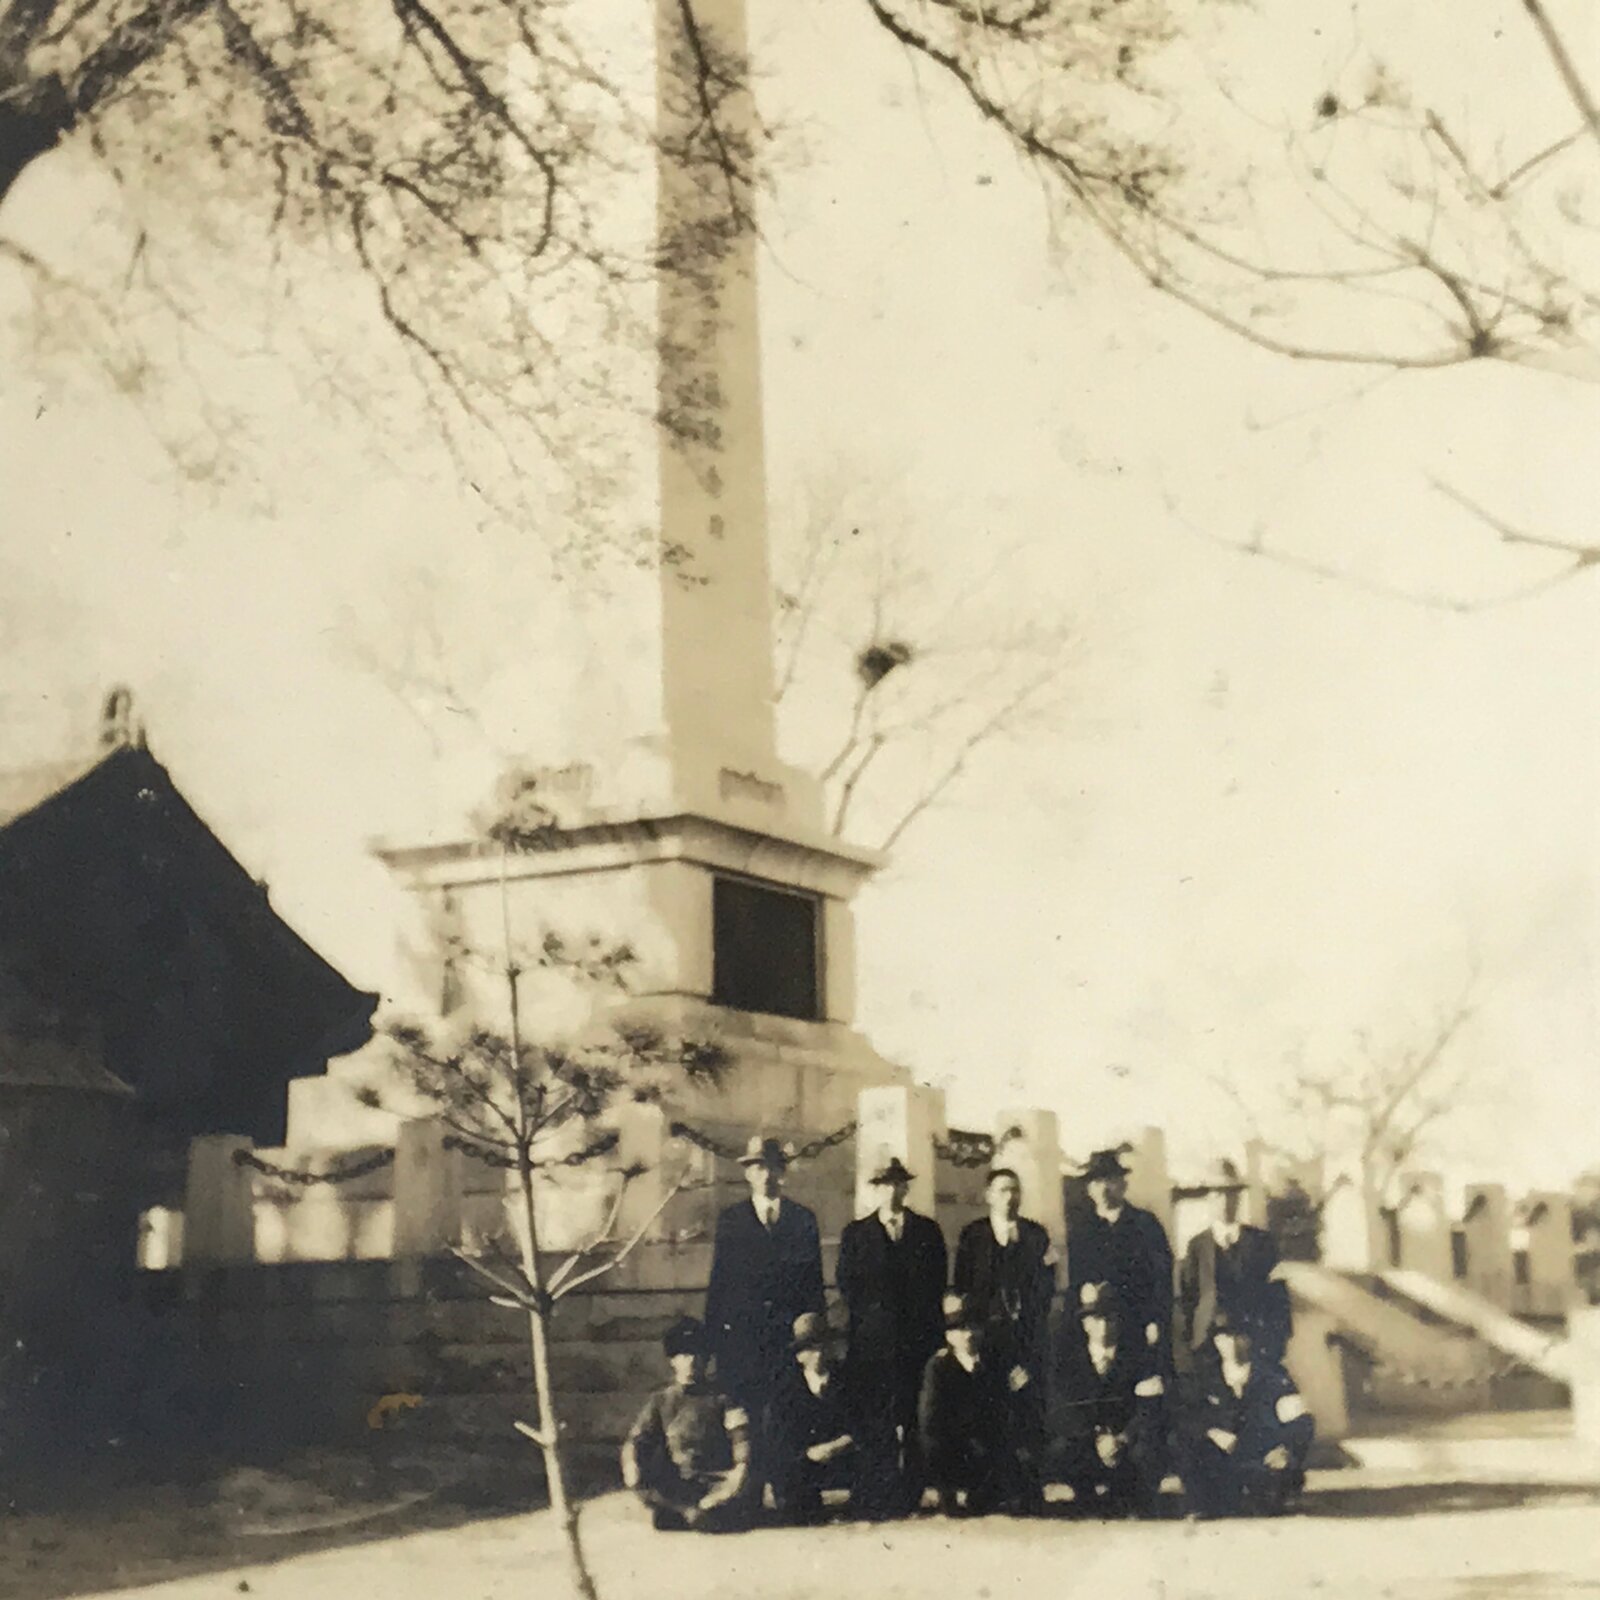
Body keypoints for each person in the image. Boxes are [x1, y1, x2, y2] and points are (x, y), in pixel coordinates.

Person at [704, 1135, 826, 1491]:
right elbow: (719, 1284)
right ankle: (750, 1496)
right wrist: (714, 1341)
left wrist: (813, 1338)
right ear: (748, 1175)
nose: (766, 1175)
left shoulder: (803, 1220)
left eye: (773, 1167)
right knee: (748, 1415)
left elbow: (814, 1285)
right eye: (758, 1167)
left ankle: (789, 1491)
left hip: (788, 1339)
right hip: (744, 1340)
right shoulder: (732, 1221)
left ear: (782, 1172)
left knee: (785, 1412)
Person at [836, 1154, 948, 1513]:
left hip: (917, 1341)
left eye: (898, 1183)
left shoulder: (927, 1231)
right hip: (873, 1345)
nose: (891, 1191)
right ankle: (880, 1490)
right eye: (884, 1184)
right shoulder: (856, 1234)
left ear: (905, 1188)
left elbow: (936, 1284)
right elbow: (847, 1286)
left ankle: (913, 1489)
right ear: (876, 1190)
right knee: (877, 1418)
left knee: (915, 1417)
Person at [952, 1166, 1056, 1507]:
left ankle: (1027, 1488)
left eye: (1014, 1190)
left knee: (1025, 1411)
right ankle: (987, 1487)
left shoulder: (1036, 1236)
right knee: (987, 1412)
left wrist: (1028, 1351)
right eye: (1002, 1190)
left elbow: (1045, 1291)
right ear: (988, 1196)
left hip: (1025, 1342)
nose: (1009, 1197)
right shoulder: (973, 1236)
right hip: (985, 1343)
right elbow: (963, 1291)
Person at [621, 1316, 752, 1531]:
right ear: (673, 1360)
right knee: (651, 1486)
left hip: (715, 1481)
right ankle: (688, 1512)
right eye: (683, 1354)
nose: (690, 1361)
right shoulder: (661, 1400)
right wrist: (631, 1464)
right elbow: (637, 1439)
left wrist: (739, 1470)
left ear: (706, 1359)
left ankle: (695, 1513)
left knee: (739, 1490)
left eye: (696, 1354)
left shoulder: (723, 1398)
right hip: (679, 1483)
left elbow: (740, 1436)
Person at [1180, 1313, 1314, 1518]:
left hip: (1260, 1458)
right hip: (1222, 1459)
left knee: (1269, 1493)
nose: (1232, 1343)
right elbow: (1187, 1416)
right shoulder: (1204, 1378)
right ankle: (1207, 1503)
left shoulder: (1273, 1378)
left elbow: (1302, 1422)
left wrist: (1286, 1449)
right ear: (1215, 1342)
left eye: (1238, 1336)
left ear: (1249, 1340)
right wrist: (1212, 1431)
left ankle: (1265, 1497)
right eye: (1224, 1337)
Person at [1056, 1281, 1169, 1518]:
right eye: (1096, 1320)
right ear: (1085, 1324)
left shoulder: (1138, 1358)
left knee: (1147, 1448)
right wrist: (1097, 1438)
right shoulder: (1070, 1361)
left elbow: (1147, 1410)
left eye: (1109, 1319)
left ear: (1119, 1321)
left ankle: (1132, 1498)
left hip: (1124, 1441)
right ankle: (1085, 1497)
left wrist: (1123, 1438)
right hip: (1089, 1441)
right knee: (1064, 1447)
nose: (1104, 1327)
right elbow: (1065, 1410)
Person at [918, 1293, 1031, 1515]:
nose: (968, 1334)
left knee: (1004, 1495)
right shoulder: (939, 1367)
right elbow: (930, 1419)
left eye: (973, 1327)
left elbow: (1009, 1406)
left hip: (987, 1444)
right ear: (949, 1336)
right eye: (959, 1329)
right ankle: (948, 1492)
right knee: (934, 1445)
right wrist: (968, 1435)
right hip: (954, 1447)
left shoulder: (994, 1363)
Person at [1177, 1157, 1292, 1368]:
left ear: (1239, 1197)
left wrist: (1274, 1342)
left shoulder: (1260, 1243)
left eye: (1231, 1193)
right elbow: (1188, 1296)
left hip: (1253, 1342)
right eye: (1218, 1194)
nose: (1225, 1201)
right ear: (1209, 1199)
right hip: (1208, 1345)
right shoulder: (1197, 1246)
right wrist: (1194, 1336)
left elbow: (1278, 1297)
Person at [1069, 1149, 1175, 1359]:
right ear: (1089, 1189)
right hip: (1097, 1329)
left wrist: (1155, 1320)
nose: (1103, 1189)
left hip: (1138, 1322)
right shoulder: (1081, 1230)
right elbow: (1076, 1281)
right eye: (1096, 1182)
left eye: (1110, 1180)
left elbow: (1162, 1279)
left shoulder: (1145, 1224)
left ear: (1123, 1185)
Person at [765, 1312, 863, 1523]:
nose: (817, 1353)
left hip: (842, 1455)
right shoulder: (786, 1391)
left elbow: (862, 1423)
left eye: (821, 1345)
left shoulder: (848, 1381)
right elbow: (779, 1438)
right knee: (787, 1476)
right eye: (809, 1348)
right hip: (805, 1461)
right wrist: (808, 1453)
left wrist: (839, 1444)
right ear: (799, 1356)